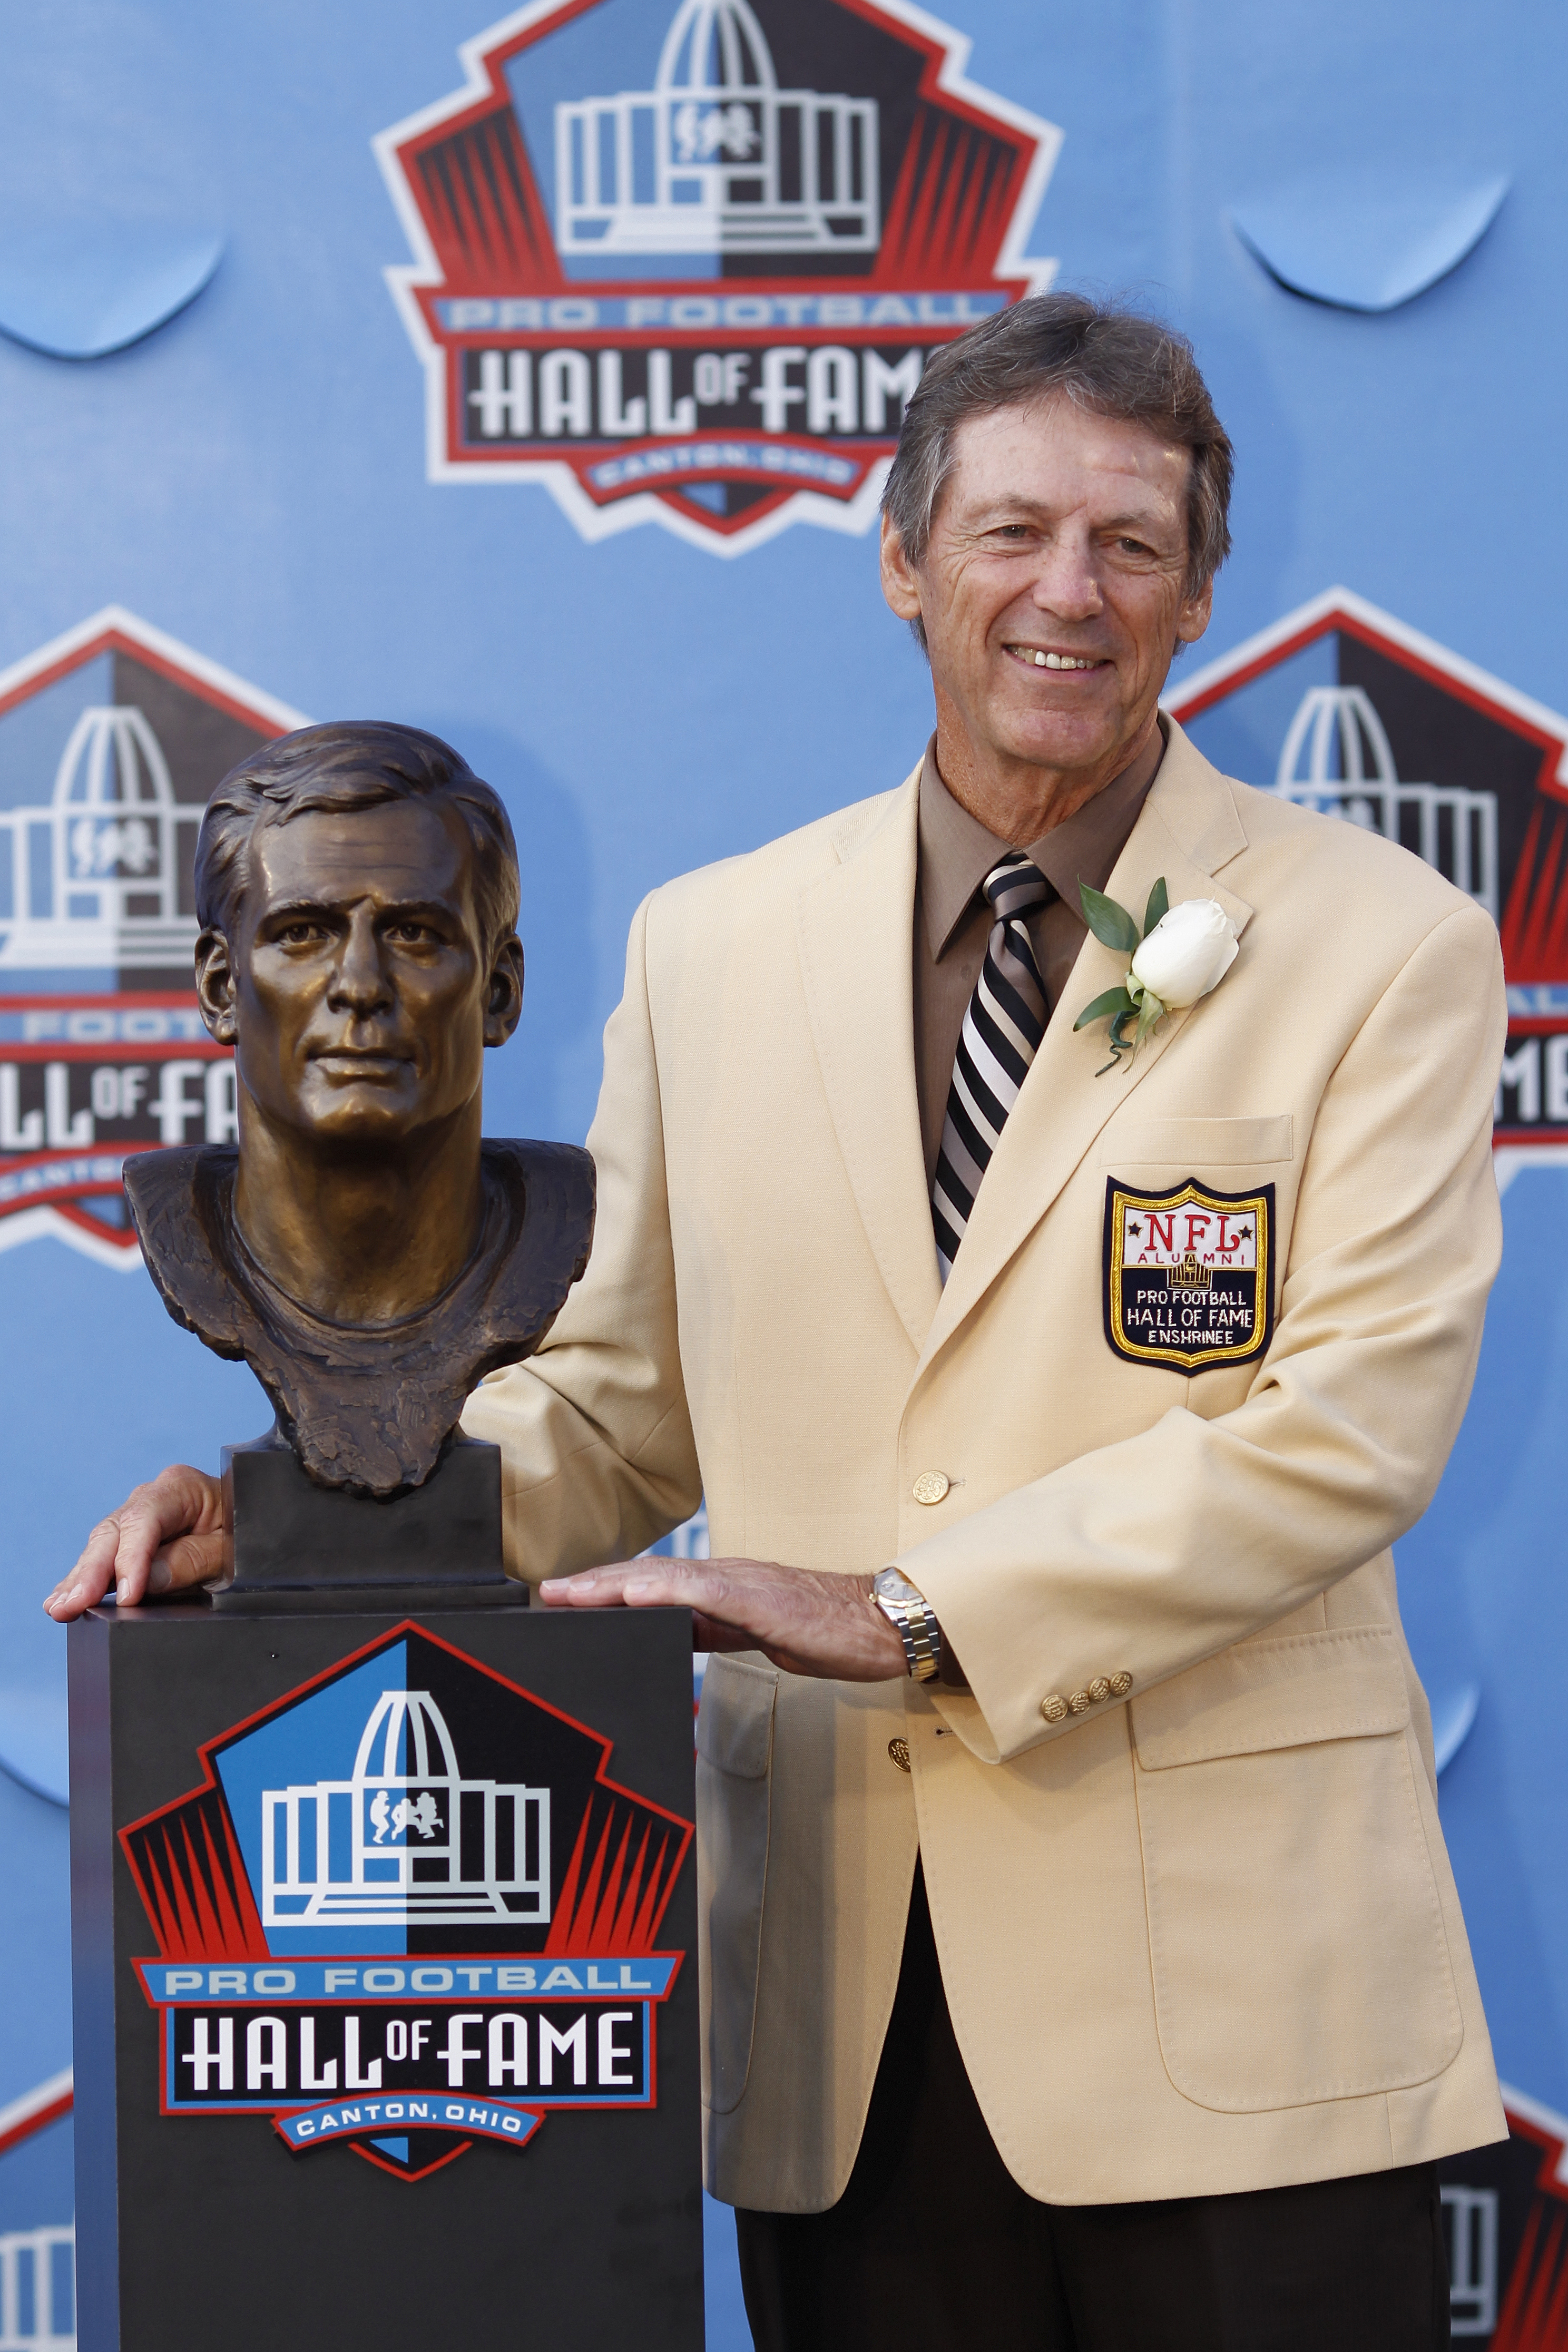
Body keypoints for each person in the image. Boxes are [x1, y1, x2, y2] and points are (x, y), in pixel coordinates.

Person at [51, 296, 1504, 2349]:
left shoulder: (1387, 948)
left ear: (1198, 592)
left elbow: (1349, 1428)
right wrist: (291, 1522)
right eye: (1007, 534)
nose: (1065, 596)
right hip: (842, 2025)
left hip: (1241, 2046)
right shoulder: (715, 944)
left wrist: (906, 1606)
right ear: (905, 560)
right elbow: (621, 1409)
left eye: (1129, 545)